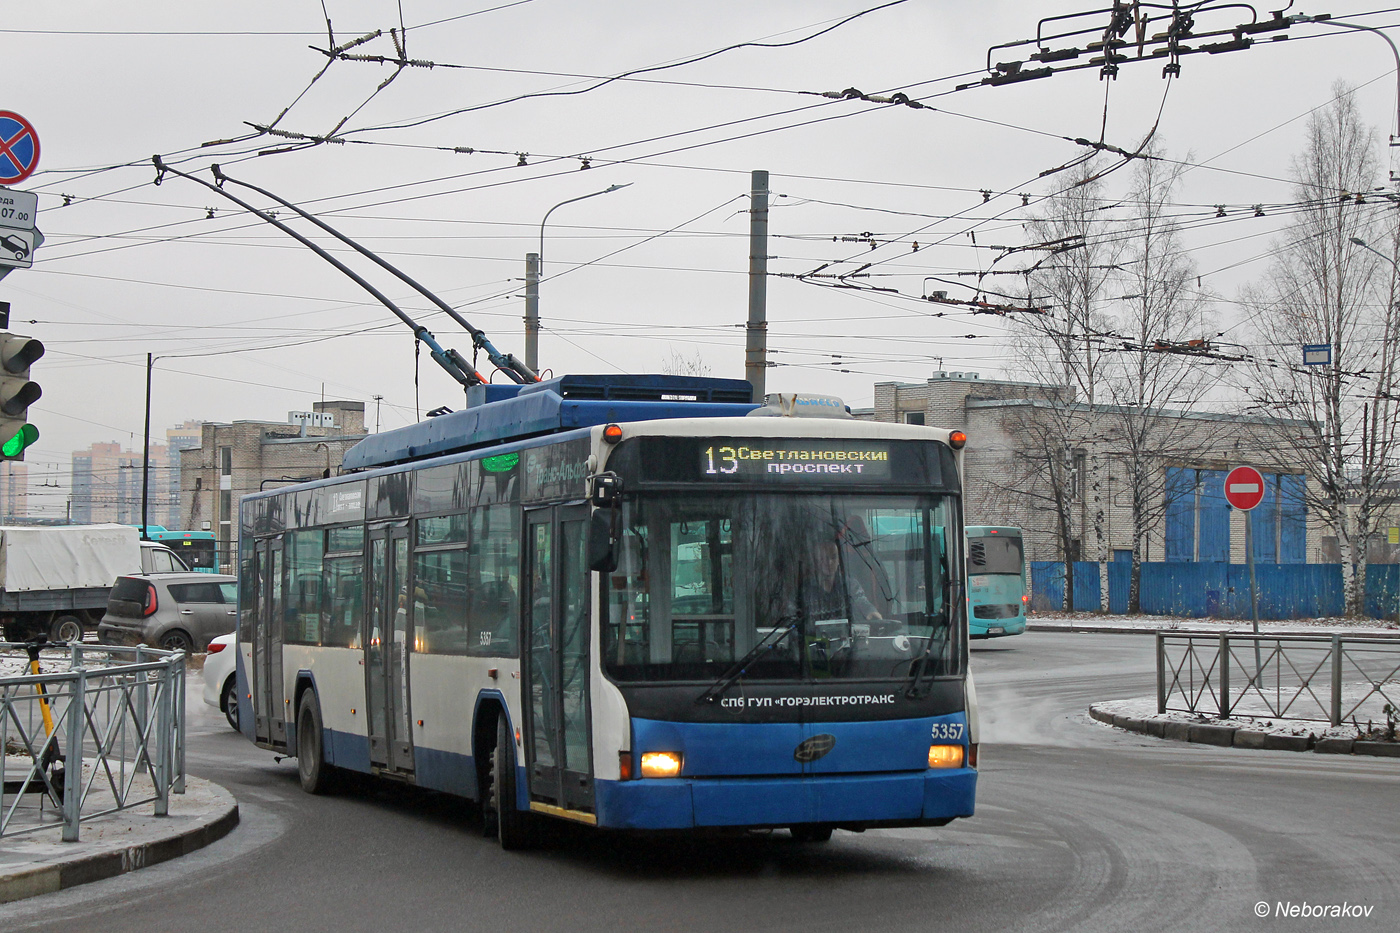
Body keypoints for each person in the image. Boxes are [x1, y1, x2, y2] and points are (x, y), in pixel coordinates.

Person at [805, 540, 882, 622]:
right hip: (814, 635)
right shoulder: (806, 589)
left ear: (838, 560)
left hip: (845, 634)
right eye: (823, 558)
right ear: (816, 561)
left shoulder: (850, 584)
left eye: (833, 557)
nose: (829, 562)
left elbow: (862, 601)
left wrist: (871, 612)